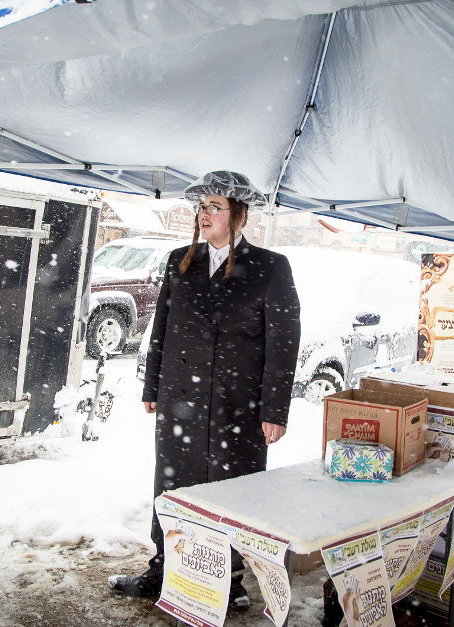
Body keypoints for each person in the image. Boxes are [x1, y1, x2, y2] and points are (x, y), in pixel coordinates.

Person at [108, 171, 301, 610]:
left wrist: (275, 410)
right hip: (181, 398)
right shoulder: (181, 261)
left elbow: (283, 342)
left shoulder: (271, 267)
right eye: (201, 207)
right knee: (173, 487)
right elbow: (161, 326)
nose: (204, 215)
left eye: (215, 207)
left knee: (232, 489)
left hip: (240, 404)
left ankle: (228, 580)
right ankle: (164, 570)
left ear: (239, 215)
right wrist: (152, 384)